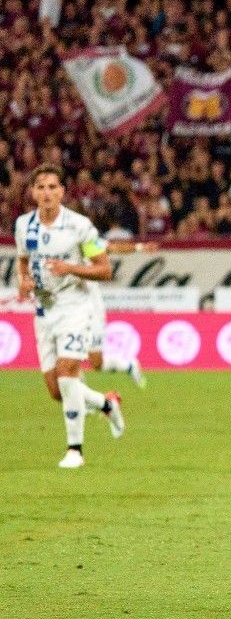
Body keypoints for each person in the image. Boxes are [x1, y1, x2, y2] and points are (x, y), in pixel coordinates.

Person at [14, 164, 125, 469]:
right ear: (33, 192)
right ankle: (106, 404)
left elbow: (104, 269)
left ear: (62, 191)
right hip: (44, 311)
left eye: (53, 187)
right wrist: (24, 282)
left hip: (75, 307)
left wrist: (70, 268)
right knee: (56, 390)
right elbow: (23, 263)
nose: (47, 193)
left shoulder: (79, 226)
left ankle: (75, 450)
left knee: (67, 374)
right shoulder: (23, 225)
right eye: (41, 187)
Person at [83, 239, 156, 388]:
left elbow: (113, 247)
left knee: (96, 364)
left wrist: (139, 247)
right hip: (68, 311)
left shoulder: (85, 239)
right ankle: (79, 399)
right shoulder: (55, 246)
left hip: (91, 310)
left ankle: (128, 365)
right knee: (68, 360)